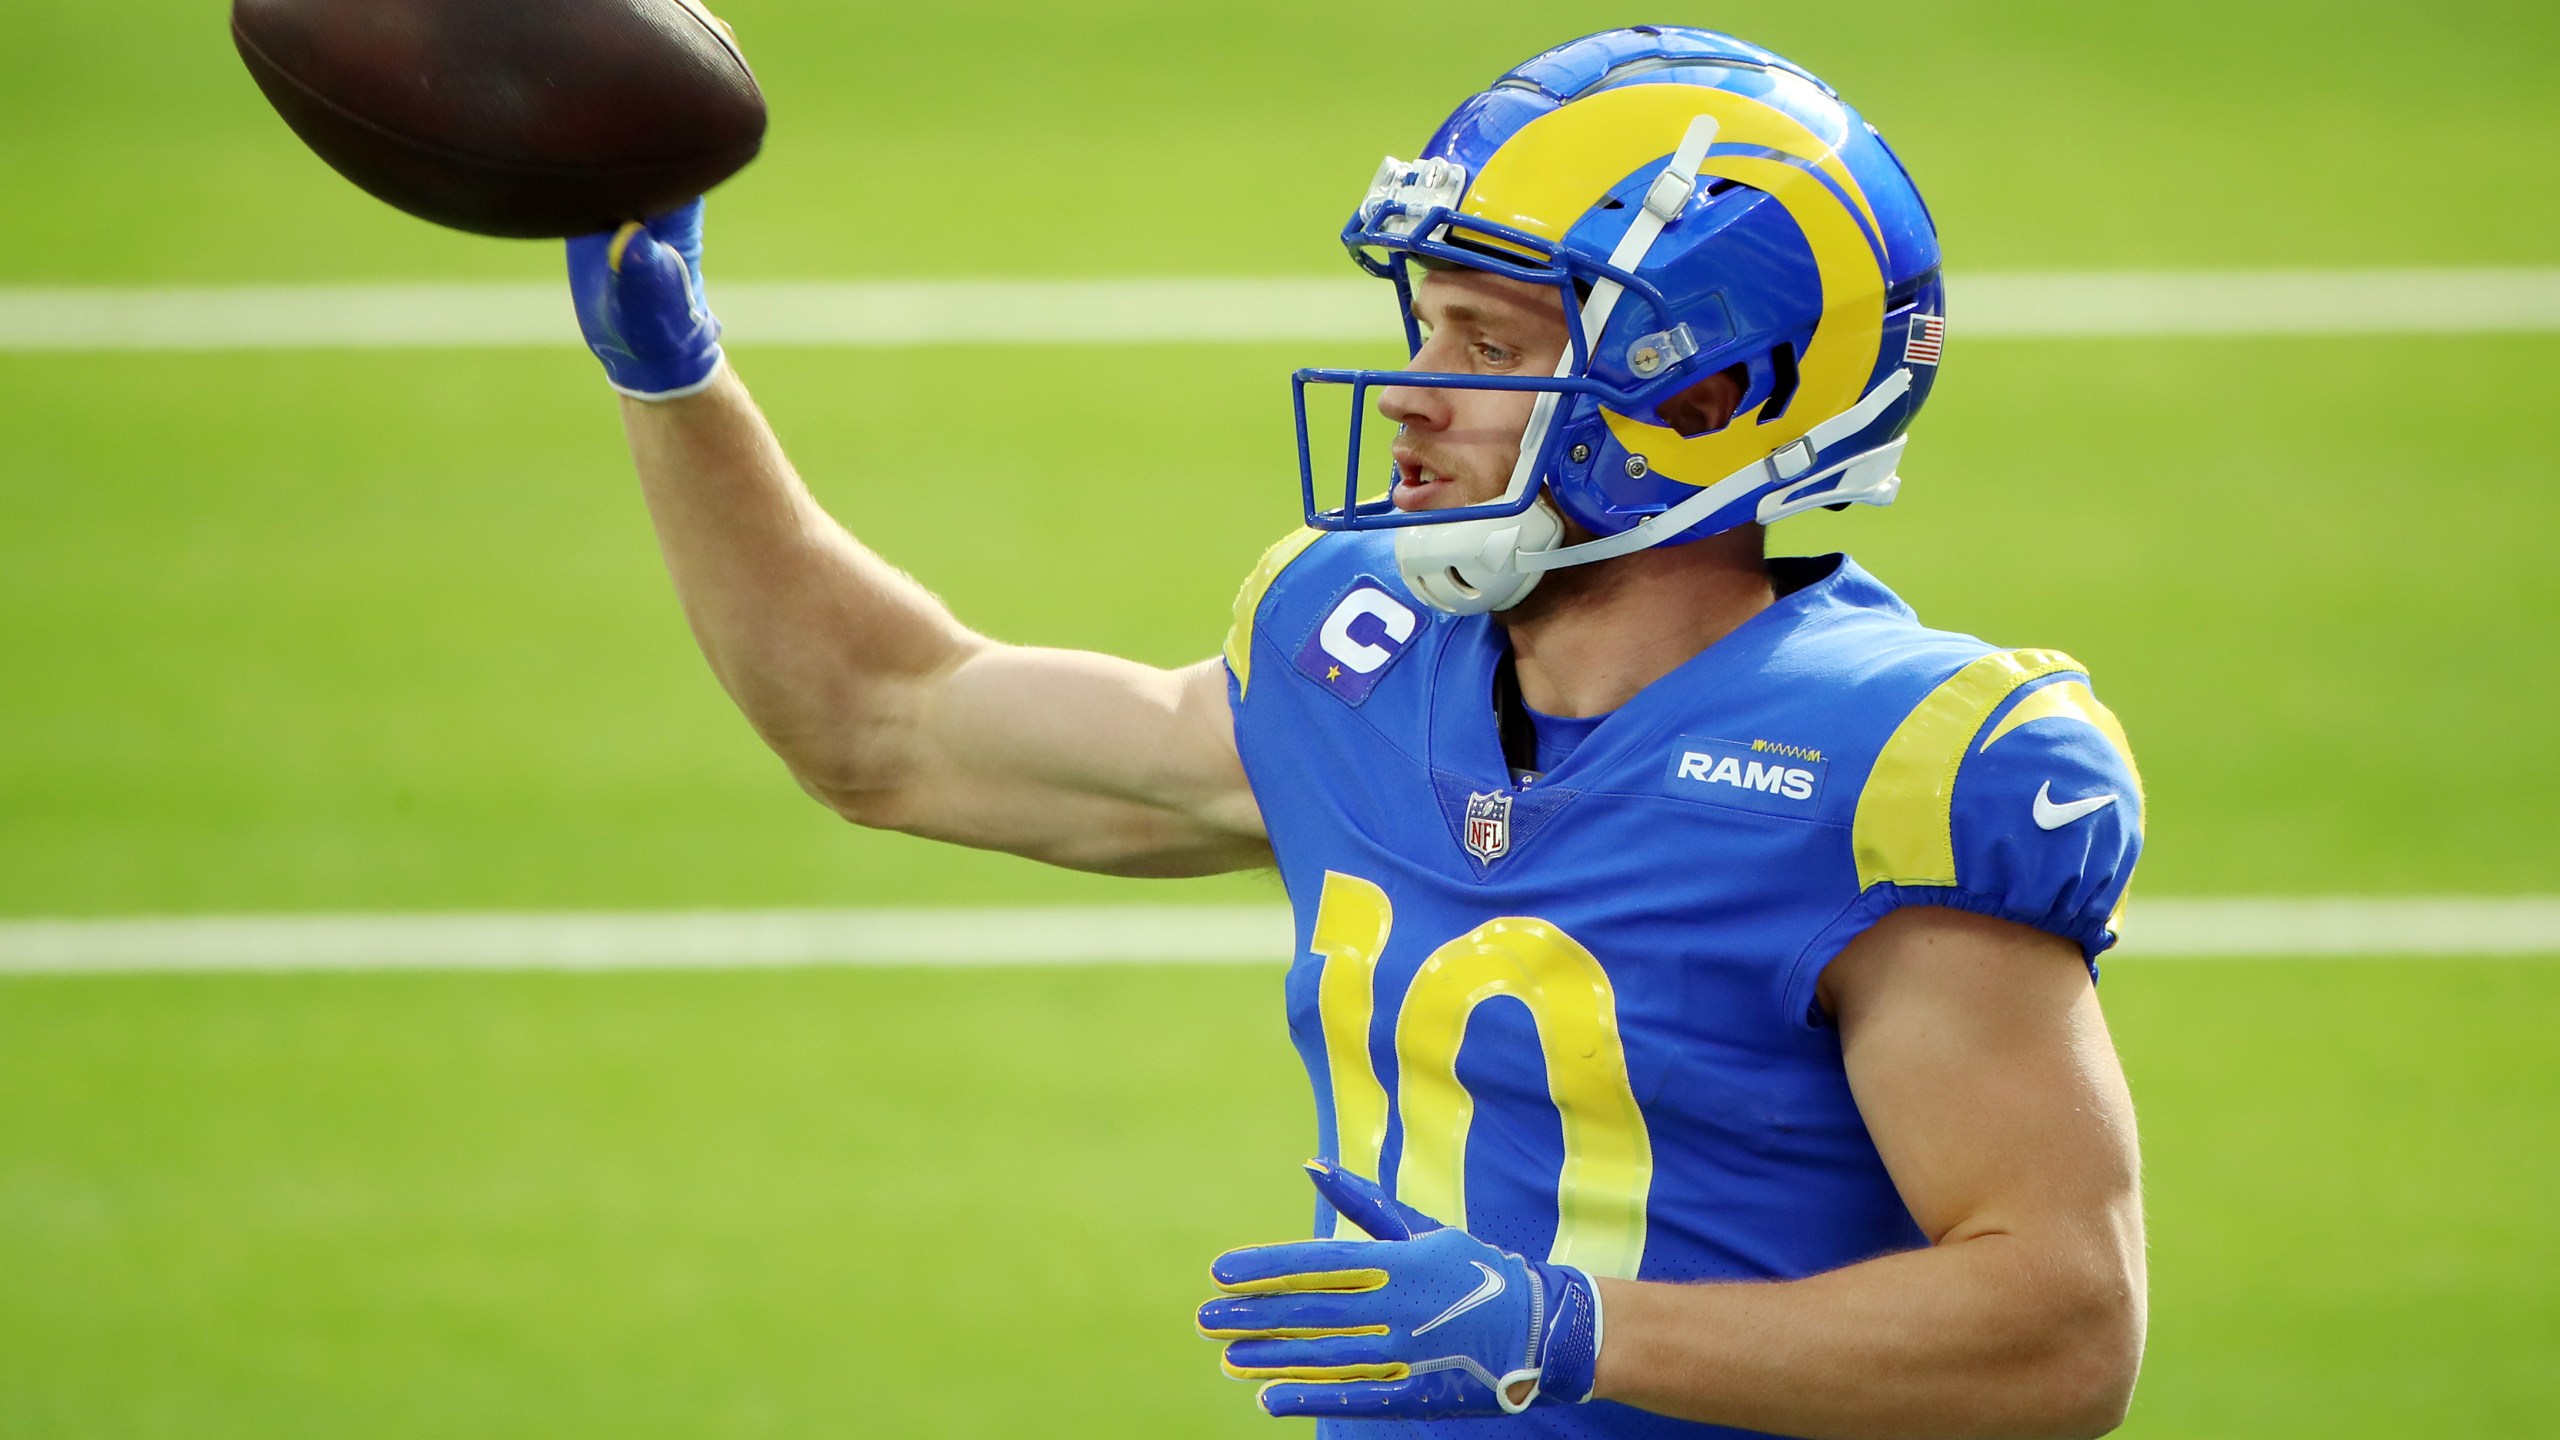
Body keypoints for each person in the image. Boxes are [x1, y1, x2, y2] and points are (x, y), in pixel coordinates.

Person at [566, 24, 2147, 1440]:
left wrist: (1568, 1333)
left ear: (1714, 390)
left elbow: (2062, 1333)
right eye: (1428, 326)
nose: (1413, 391)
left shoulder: (1895, 759)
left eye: (1492, 347)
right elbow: (883, 723)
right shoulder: (1359, 656)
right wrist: (672, 370)